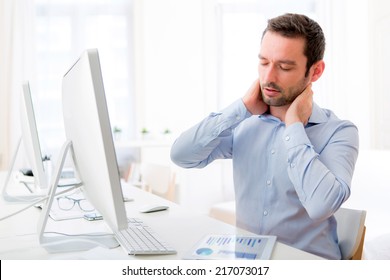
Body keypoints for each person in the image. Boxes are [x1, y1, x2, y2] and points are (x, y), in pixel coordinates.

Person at [170, 13, 359, 259]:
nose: (269, 77)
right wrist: (241, 108)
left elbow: (321, 206)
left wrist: (294, 128)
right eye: (264, 62)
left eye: (284, 66)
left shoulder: (339, 132)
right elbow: (181, 155)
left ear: (315, 71)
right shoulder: (245, 124)